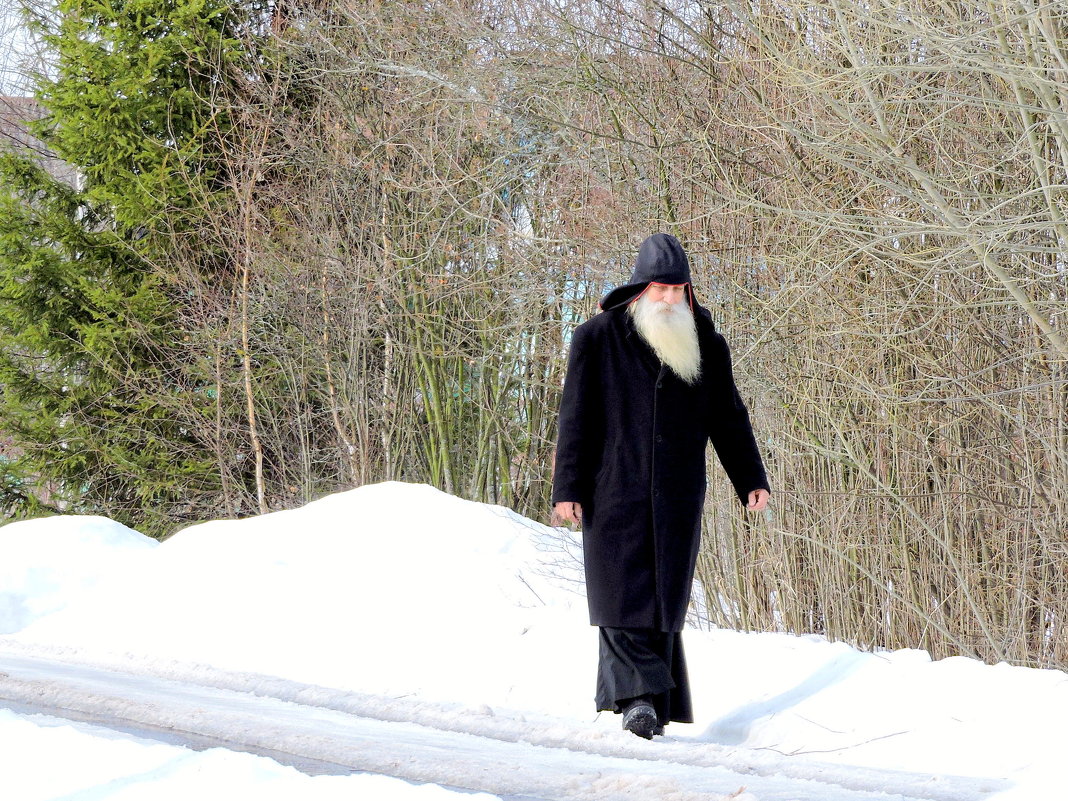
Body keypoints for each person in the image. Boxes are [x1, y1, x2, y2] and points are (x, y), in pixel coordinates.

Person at [551, 232, 770, 740]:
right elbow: (575, 418)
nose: (669, 299)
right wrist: (569, 487)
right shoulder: (598, 338)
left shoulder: (706, 344)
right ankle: (637, 701)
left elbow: (728, 417)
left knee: (663, 596)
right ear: (639, 289)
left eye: (678, 290)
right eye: (660, 289)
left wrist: (750, 479)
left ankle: (652, 700)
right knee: (619, 594)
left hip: (677, 492)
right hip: (613, 488)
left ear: (689, 292)